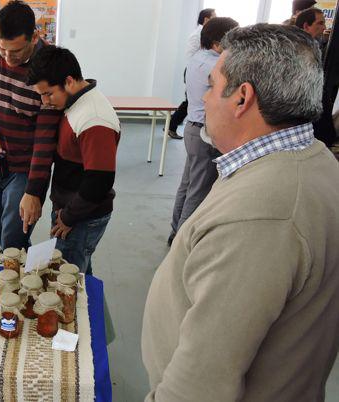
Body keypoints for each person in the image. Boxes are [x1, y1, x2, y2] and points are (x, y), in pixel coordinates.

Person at [142, 24, 339, 401]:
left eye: (212, 85)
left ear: (242, 98)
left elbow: (200, 387)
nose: (204, 96)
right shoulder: (311, 162)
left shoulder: (263, 217)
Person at [0, 0, 62, 250]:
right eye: (2, 49)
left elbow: (45, 139)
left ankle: (18, 281)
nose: (7, 58)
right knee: (0, 234)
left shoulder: (50, 67)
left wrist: (33, 190)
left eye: (16, 52)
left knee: (12, 241)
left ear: (34, 37)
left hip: (24, 169)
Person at [27, 45, 120, 275]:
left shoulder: (94, 119)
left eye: (48, 93)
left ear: (69, 81)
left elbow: (99, 181)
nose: (45, 101)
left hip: (81, 217)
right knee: (80, 273)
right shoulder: (75, 102)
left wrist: (68, 218)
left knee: (68, 281)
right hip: (71, 210)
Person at [168, 17, 238, 247]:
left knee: (188, 184)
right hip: (205, 134)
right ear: (218, 43)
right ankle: (181, 242)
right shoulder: (216, 66)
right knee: (197, 191)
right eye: (232, 40)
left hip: (192, 128)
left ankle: (175, 230)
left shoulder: (196, 59)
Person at [167, 8, 216, 140]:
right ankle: (171, 125)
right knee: (190, 101)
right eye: (214, 17)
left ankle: (171, 125)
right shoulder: (199, 34)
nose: (216, 19)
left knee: (190, 101)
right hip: (195, 70)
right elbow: (192, 56)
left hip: (197, 69)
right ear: (206, 19)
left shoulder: (204, 33)